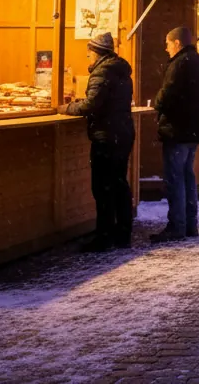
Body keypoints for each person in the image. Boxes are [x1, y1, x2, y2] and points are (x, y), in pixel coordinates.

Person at [61, 32, 136, 252]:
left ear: (95, 52)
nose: (88, 57)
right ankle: (123, 233)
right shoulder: (120, 69)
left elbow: (91, 104)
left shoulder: (102, 71)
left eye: (89, 53)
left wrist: (67, 108)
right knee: (119, 184)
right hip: (122, 133)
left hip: (107, 136)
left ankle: (104, 237)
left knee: (103, 187)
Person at [152, 27, 199, 243]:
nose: (165, 48)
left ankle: (177, 225)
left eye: (168, 43)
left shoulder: (178, 64)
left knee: (175, 179)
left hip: (177, 129)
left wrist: (158, 104)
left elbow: (166, 95)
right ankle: (190, 224)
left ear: (177, 43)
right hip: (194, 129)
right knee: (187, 176)